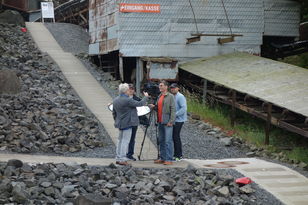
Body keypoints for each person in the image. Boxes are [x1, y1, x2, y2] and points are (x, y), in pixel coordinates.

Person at [112, 83, 149, 166]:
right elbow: (140, 104)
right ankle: (122, 158)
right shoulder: (128, 100)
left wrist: (116, 120)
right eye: (128, 89)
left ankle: (118, 157)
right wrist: (145, 96)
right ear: (125, 91)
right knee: (125, 141)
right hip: (128, 123)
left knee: (120, 140)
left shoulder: (115, 100)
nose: (130, 91)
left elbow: (114, 113)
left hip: (120, 123)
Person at [153, 80, 176, 165]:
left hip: (167, 122)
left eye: (161, 86)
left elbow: (173, 109)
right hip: (160, 121)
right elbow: (159, 108)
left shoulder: (170, 96)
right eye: (159, 86)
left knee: (168, 141)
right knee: (161, 140)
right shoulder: (160, 96)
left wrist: (171, 121)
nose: (160, 87)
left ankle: (169, 159)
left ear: (166, 87)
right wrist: (154, 107)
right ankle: (162, 158)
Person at [126, 84, 149, 161]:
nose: (131, 90)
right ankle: (122, 154)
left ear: (134, 90)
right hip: (125, 122)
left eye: (132, 89)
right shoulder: (123, 98)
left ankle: (129, 154)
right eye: (129, 88)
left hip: (134, 122)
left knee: (132, 139)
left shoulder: (137, 99)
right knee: (124, 139)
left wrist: (145, 121)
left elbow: (141, 110)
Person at [170, 83, 187, 161]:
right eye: (171, 88)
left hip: (179, 120)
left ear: (178, 88)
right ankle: (175, 154)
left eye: (174, 88)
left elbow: (184, 108)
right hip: (174, 119)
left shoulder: (180, 96)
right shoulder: (172, 96)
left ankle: (178, 155)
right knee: (173, 137)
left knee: (176, 137)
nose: (172, 89)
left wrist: (175, 115)